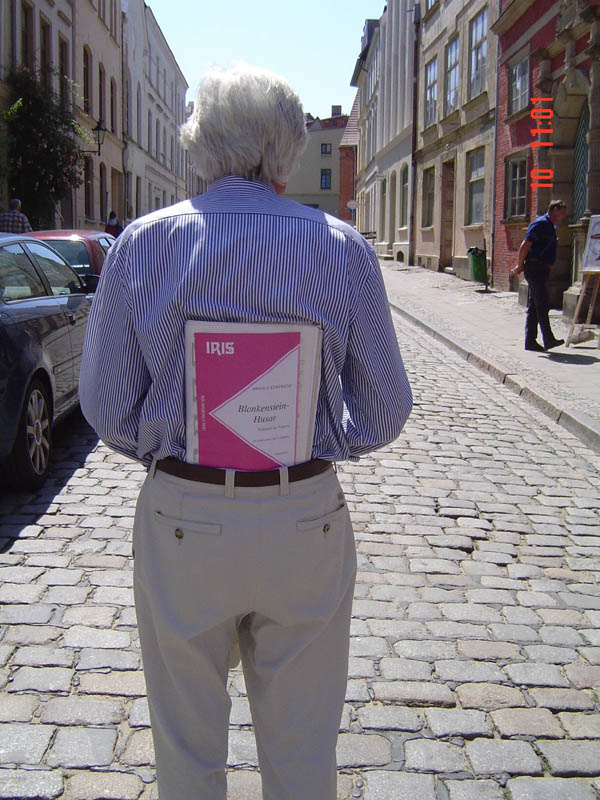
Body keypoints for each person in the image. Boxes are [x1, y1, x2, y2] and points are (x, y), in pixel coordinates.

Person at [79, 64, 412, 800]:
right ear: (288, 148)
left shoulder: (143, 243)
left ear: (200, 143)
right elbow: (388, 407)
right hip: (303, 518)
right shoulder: (342, 247)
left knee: (186, 751)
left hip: (183, 519)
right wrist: (322, 442)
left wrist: (169, 450)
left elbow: (103, 405)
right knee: (303, 754)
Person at [510, 200, 567, 351]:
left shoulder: (550, 225)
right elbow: (525, 245)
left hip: (541, 269)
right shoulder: (541, 223)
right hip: (535, 268)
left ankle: (530, 341)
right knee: (542, 304)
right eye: (561, 213)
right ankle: (548, 338)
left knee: (535, 306)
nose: (563, 217)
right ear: (554, 210)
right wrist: (520, 265)